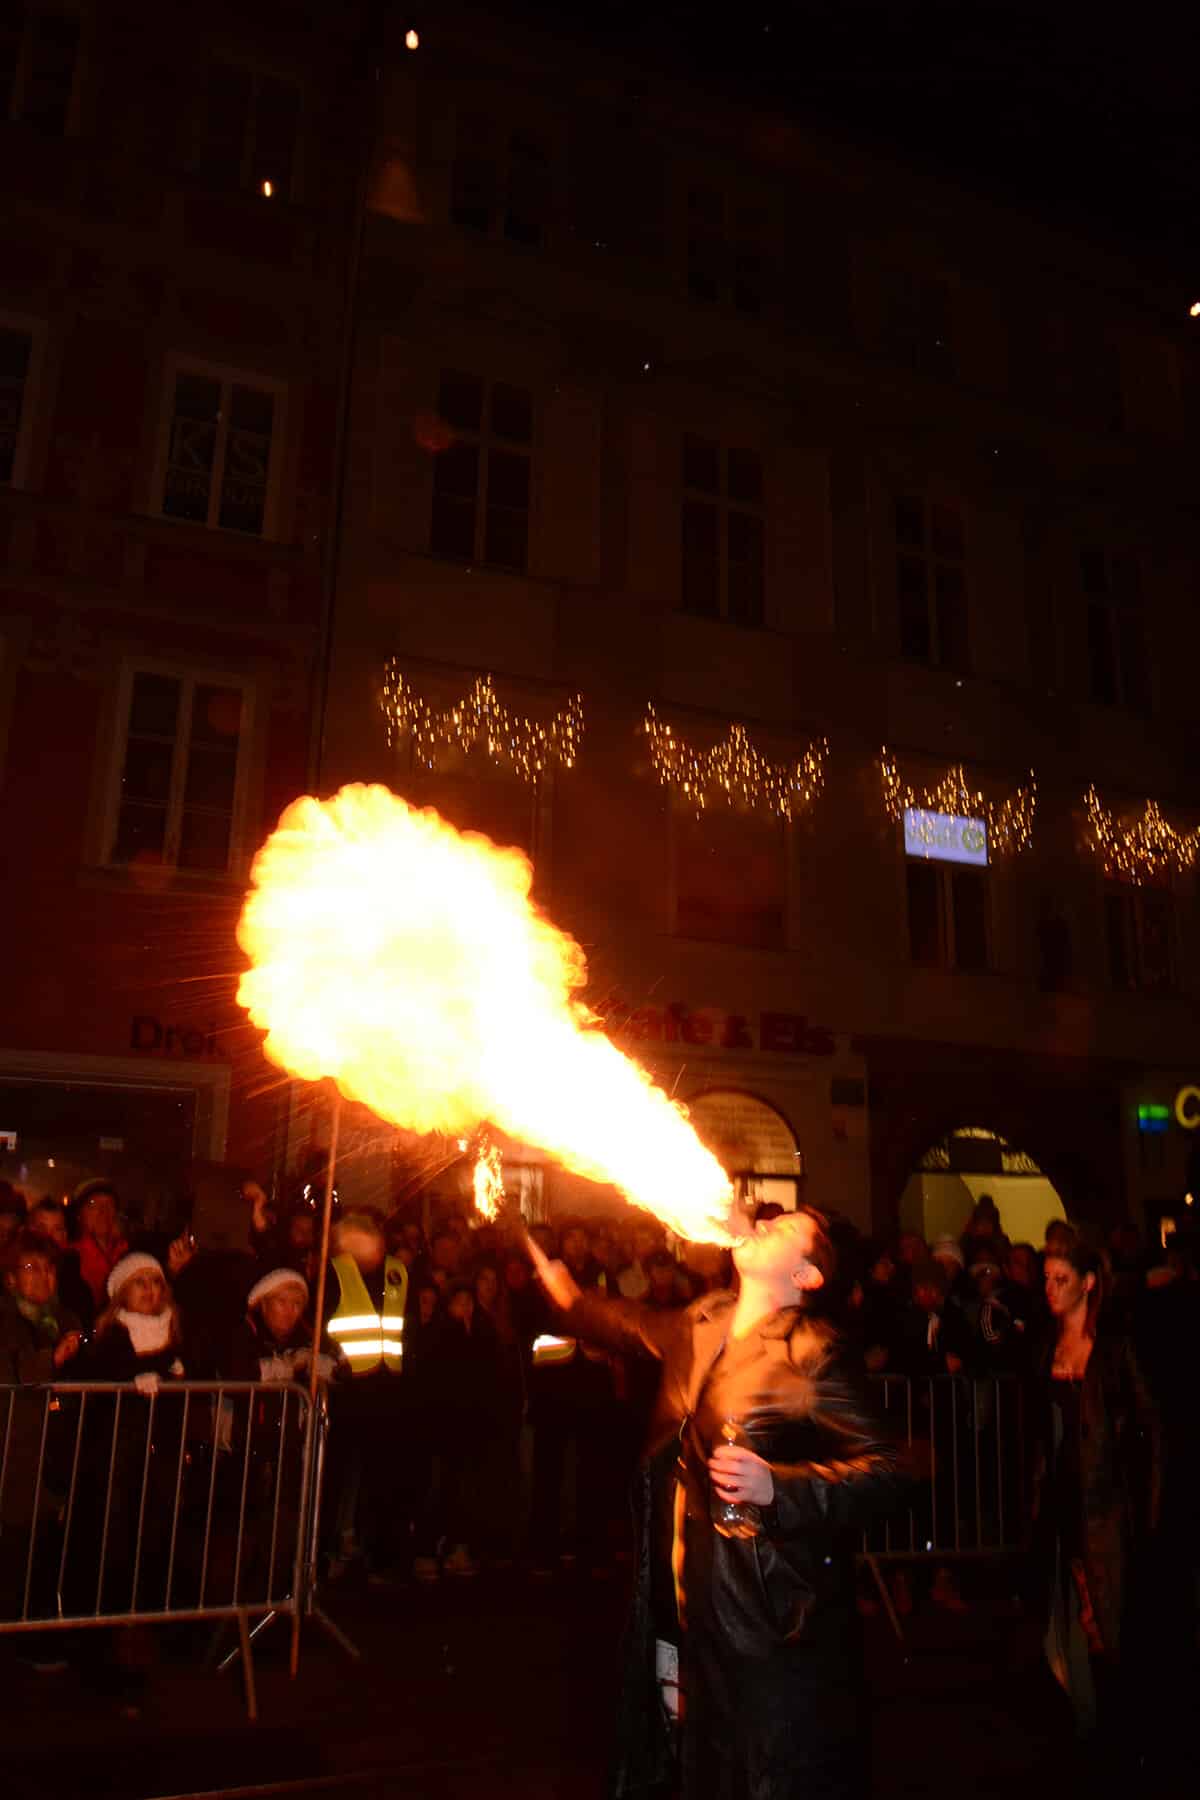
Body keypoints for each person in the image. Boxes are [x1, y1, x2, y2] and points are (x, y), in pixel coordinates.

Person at [530, 1208, 907, 1800]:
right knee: (688, 1765)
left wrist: (780, 1487)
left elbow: (887, 1473)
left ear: (807, 1275)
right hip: (678, 1608)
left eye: (786, 1229)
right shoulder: (702, 1321)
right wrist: (569, 1298)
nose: (765, 1224)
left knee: (760, 1774)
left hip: (767, 1624)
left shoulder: (812, 1352)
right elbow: (629, 1324)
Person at [1029, 1240, 1161, 1751]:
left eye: (1061, 1278)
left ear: (1087, 1282)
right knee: (1065, 1616)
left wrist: (1147, 1509)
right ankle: (1082, 1719)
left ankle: (1122, 1731)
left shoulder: (1113, 1348)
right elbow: (1040, 1432)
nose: (1049, 1289)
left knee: (1109, 1618)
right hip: (1061, 1505)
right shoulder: (1045, 1349)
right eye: (1045, 1278)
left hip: (1106, 1507)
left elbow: (1151, 1429)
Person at [69, 1182, 130, 1316]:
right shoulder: (70, 1257)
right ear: (79, 1214)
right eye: (92, 1204)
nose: (103, 1210)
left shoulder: (129, 1254)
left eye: (109, 1204)